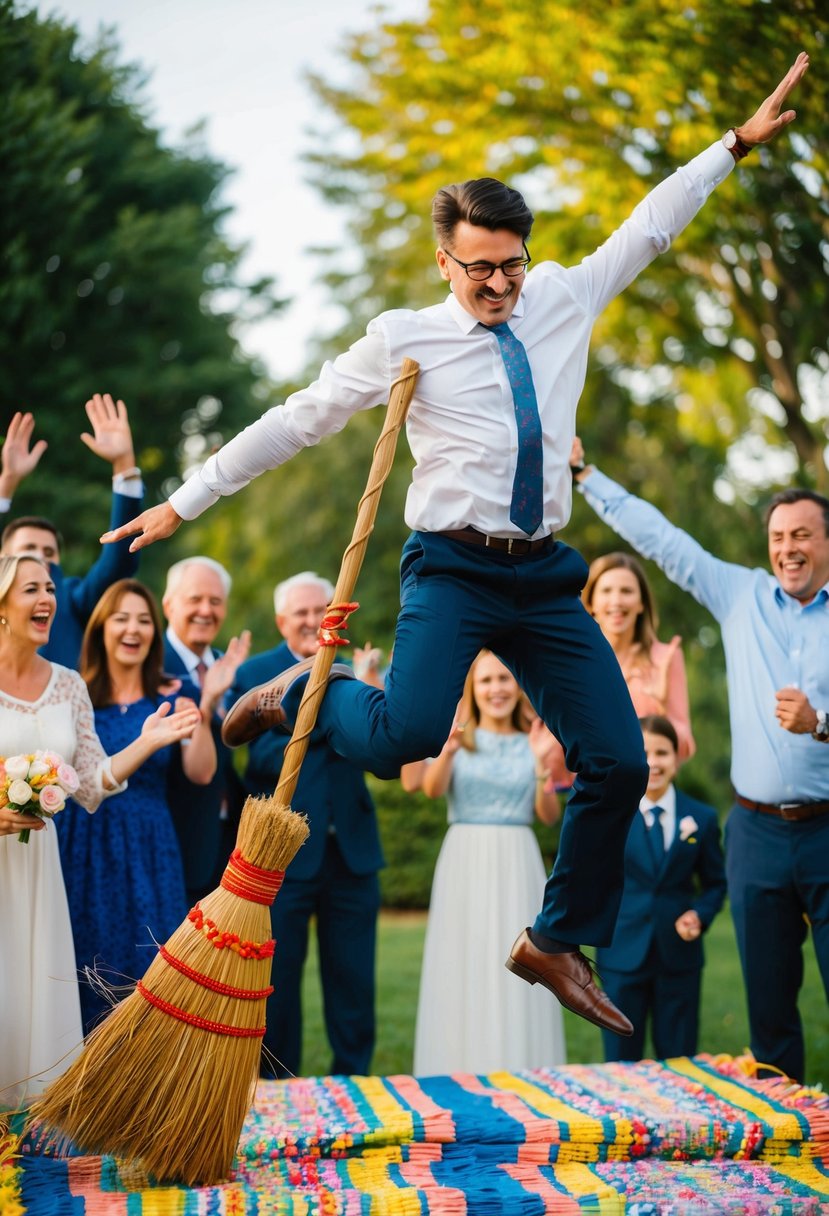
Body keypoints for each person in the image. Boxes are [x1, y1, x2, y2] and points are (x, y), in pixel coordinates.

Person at [103, 55, 809, 1037]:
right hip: (451, 565)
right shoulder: (406, 336)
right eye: (477, 266)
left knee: (611, 758)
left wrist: (729, 146)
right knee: (405, 736)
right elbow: (301, 417)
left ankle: (555, 939)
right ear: (445, 259)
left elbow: (651, 223)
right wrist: (185, 498)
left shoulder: (561, 297)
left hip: (543, 574)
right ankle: (291, 696)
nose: (497, 282)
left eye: (510, 263)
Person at [573, 455, 829, 1083]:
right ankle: (784, 1126)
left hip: (828, 831)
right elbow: (662, 539)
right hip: (757, 834)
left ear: (825, 541)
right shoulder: (740, 596)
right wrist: (586, 478)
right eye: (778, 537)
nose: (788, 549)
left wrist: (821, 723)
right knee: (768, 1005)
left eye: (801, 535)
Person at [0, 555, 204, 1107]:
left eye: (50, 587)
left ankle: (37, 1122)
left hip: (43, 862)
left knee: (40, 994)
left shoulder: (67, 685)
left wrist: (147, 742)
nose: (47, 599)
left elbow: (90, 781)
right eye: (30, 589)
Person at [228, 571, 384, 1078]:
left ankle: (355, 1080)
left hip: (352, 852)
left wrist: (366, 694)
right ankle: (280, 1085)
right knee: (280, 982)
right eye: (301, 612)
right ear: (281, 620)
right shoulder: (258, 674)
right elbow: (263, 756)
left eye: (322, 610)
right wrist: (328, 717)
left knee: (354, 981)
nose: (313, 620)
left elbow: (377, 754)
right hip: (286, 857)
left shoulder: (349, 674)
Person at [55, 579, 218, 1034]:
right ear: (101, 629)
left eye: (144, 620)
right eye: (121, 618)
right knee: (85, 959)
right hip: (81, 845)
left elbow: (202, 773)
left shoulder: (170, 695)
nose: (133, 629)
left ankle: (144, 1088)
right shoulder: (72, 694)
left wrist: (200, 710)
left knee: (150, 967)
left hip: (149, 847)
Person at [413, 650, 565, 1074]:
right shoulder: (458, 736)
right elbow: (430, 790)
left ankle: (520, 1062)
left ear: (517, 684)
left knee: (518, 962)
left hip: (517, 858)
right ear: (473, 690)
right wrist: (447, 751)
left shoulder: (538, 737)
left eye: (504, 678)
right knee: (465, 958)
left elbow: (549, 816)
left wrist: (540, 767)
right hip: (464, 855)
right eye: (486, 681)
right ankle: (459, 1063)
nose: (496, 688)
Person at [597, 715, 725, 1064]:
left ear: (677, 758)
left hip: (678, 957)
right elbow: (592, 878)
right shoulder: (611, 814)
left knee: (679, 1058)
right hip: (622, 953)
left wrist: (700, 914)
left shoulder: (701, 818)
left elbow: (715, 883)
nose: (653, 762)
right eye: (644, 752)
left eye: (662, 753)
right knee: (622, 1061)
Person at [0, 395, 144, 668]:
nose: (40, 557)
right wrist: (6, 482)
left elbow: (118, 562)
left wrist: (123, 463)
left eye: (49, 551)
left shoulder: (70, 599)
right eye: (28, 549)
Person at [161, 556, 250, 904]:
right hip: (174, 842)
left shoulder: (232, 668)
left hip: (229, 842)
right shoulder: (149, 664)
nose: (205, 610)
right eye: (194, 599)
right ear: (169, 604)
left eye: (215, 601)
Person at [582, 551, 695, 761]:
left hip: (645, 786)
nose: (616, 600)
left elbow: (685, 747)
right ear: (591, 603)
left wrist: (661, 711)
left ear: (641, 603)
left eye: (626, 591)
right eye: (606, 591)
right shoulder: (577, 662)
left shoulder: (665, 658)